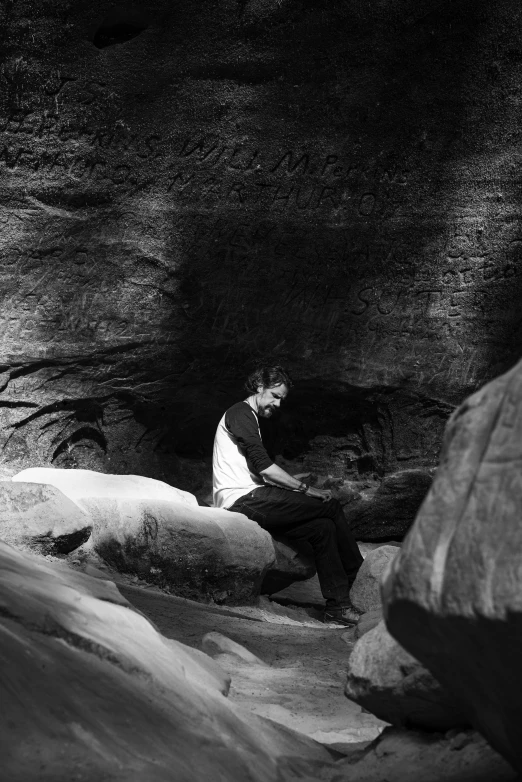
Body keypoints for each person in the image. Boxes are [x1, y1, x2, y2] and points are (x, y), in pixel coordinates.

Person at [212, 365, 364, 626]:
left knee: (323, 528)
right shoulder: (239, 413)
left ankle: (338, 606)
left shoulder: (251, 417)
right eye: (274, 395)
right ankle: (359, 576)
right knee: (330, 506)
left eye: (282, 399)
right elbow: (265, 468)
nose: (278, 403)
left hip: (253, 497)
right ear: (259, 387)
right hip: (242, 500)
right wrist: (307, 489)